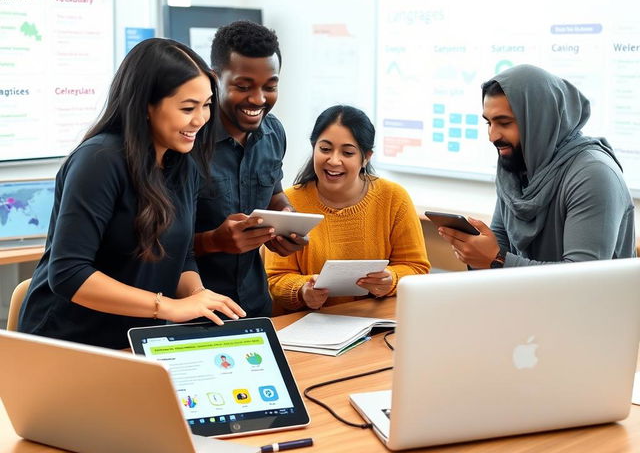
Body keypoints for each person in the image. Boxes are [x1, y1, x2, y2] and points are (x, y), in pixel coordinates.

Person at [18, 38, 245, 349]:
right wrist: (168, 307)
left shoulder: (183, 166)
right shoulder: (99, 161)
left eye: (206, 105)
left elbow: (181, 257)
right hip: (69, 344)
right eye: (188, 108)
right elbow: (69, 273)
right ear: (146, 106)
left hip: (137, 340)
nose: (201, 119)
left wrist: (196, 296)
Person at [438, 64, 636, 268]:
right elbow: (499, 247)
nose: (492, 136)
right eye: (489, 123)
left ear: (540, 120)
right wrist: (476, 253)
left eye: (504, 123)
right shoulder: (515, 167)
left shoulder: (594, 174)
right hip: (527, 298)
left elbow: (581, 279)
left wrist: (496, 260)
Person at [265, 105, 430, 313]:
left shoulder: (394, 198)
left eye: (347, 152)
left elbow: (417, 268)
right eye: (325, 149)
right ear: (313, 147)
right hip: (306, 327)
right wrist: (302, 291)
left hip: (374, 324)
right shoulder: (286, 203)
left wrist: (391, 279)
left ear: (366, 157)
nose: (334, 160)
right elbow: (276, 278)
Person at [194, 21, 307, 318]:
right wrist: (212, 242)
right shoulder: (188, 141)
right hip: (193, 306)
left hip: (254, 303)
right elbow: (155, 244)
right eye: (243, 87)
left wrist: (287, 220)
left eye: (270, 87)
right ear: (215, 78)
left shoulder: (273, 133)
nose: (258, 99)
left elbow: (274, 194)